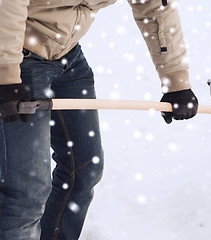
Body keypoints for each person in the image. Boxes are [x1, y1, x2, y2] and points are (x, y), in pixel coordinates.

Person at [0, 0, 198, 239]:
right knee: (26, 193)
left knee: (83, 169)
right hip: (17, 53)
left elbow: (154, 6)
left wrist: (176, 80)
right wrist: (6, 74)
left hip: (67, 55)